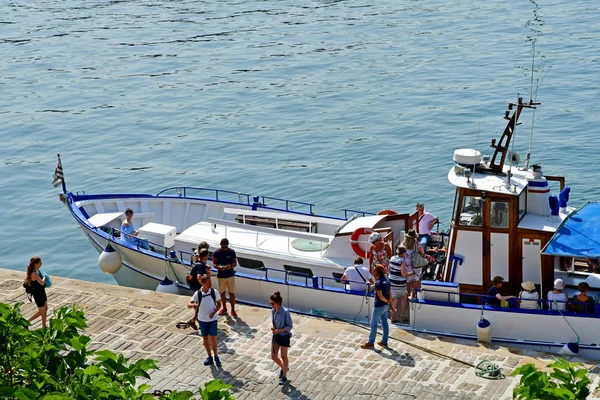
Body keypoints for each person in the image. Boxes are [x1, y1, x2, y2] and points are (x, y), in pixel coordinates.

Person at [188, 275, 222, 367]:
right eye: (208, 282)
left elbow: (219, 304)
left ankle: (216, 356)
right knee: (205, 338)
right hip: (202, 320)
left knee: (213, 338)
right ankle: (209, 357)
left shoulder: (214, 292)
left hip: (212, 319)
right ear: (203, 283)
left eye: (210, 281)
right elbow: (189, 303)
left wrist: (214, 312)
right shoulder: (198, 293)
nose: (210, 283)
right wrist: (193, 305)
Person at [361, 264, 395, 349]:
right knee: (385, 323)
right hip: (385, 306)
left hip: (378, 306)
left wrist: (387, 301)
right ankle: (384, 341)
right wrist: (389, 304)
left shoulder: (378, 282)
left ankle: (370, 342)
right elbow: (390, 294)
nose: (372, 271)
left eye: (374, 270)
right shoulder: (387, 280)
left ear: (378, 272)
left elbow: (380, 296)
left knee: (373, 324)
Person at [270, 291, 293, 385]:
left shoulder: (285, 312)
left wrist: (279, 330)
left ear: (278, 303)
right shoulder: (273, 311)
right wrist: (274, 329)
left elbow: (289, 325)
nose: (271, 305)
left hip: (284, 336)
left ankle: (284, 376)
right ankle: (284, 368)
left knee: (284, 356)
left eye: (272, 303)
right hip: (276, 335)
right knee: (273, 356)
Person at [185, 248, 211, 329]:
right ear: (206, 256)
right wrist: (205, 286)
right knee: (200, 305)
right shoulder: (200, 266)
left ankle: (195, 321)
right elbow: (199, 277)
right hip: (198, 286)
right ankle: (194, 321)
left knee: (199, 305)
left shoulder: (198, 262)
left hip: (194, 285)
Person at [213, 238, 238, 317]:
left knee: (232, 293)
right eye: (223, 247)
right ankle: (224, 308)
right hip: (221, 276)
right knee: (222, 293)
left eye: (225, 247)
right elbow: (214, 264)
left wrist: (230, 266)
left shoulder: (232, 252)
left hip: (230, 275)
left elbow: (235, 263)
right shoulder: (216, 253)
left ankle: (233, 310)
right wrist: (219, 267)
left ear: (228, 245)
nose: (224, 248)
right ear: (220, 245)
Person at [25, 256, 48, 328]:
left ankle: (44, 326)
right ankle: (26, 322)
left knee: (46, 308)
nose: (41, 264)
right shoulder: (33, 274)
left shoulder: (37, 271)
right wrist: (44, 277)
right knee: (41, 311)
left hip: (42, 292)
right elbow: (42, 283)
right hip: (38, 294)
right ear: (36, 264)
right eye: (40, 263)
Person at [402, 229, 425, 297]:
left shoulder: (403, 244)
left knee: (408, 281)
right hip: (416, 265)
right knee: (416, 280)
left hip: (407, 265)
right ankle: (414, 295)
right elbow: (422, 253)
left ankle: (408, 294)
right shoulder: (417, 244)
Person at [389, 245, 408, 322]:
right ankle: (403, 314)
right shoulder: (402, 261)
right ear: (403, 253)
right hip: (400, 282)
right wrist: (409, 274)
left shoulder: (392, 258)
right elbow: (403, 274)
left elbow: (388, 269)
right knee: (404, 297)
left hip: (392, 281)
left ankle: (393, 317)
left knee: (394, 298)